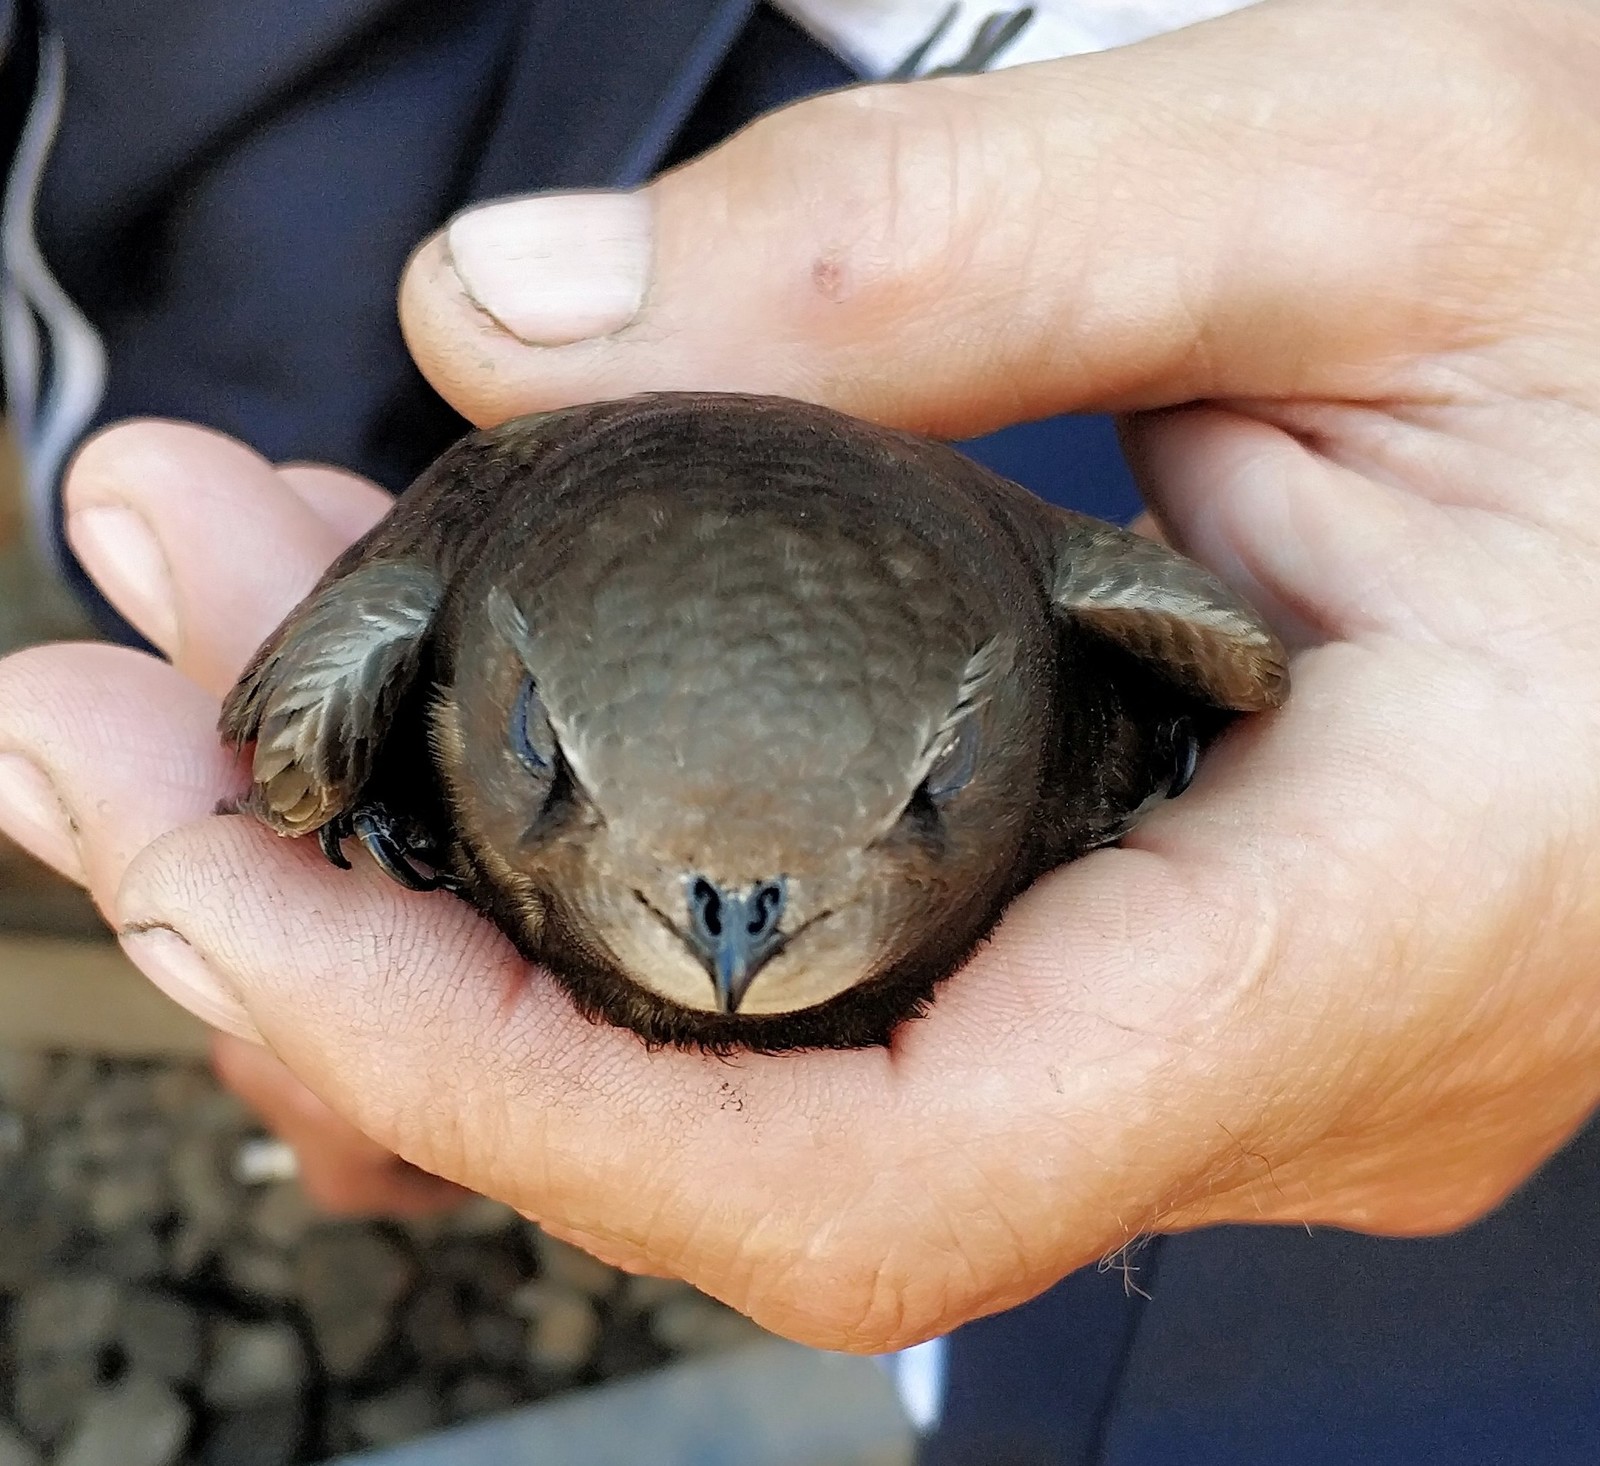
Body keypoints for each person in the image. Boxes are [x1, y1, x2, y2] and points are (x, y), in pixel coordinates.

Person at [3, 0, 1600, 1460]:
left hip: (1312, 373)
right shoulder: (427, 616)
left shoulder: (1097, 603)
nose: (734, 933)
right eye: (553, 781)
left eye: (920, 803)